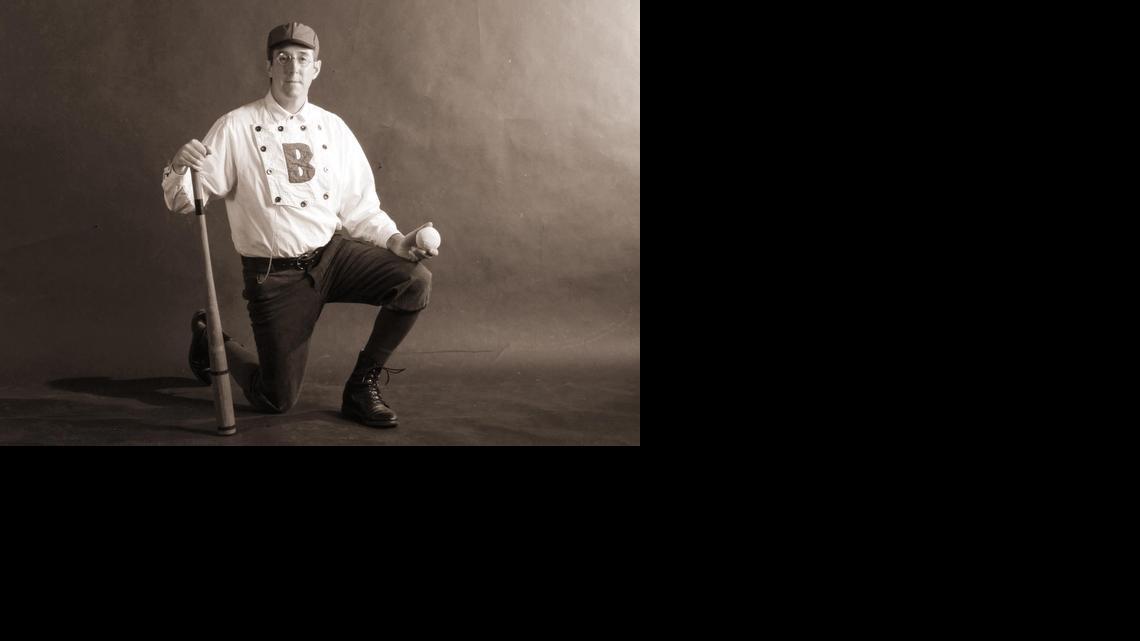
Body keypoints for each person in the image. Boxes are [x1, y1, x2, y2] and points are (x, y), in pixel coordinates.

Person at [161, 22, 437, 428]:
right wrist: (179, 166)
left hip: (332, 257)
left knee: (415, 281)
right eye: (284, 58)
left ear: (316, 69)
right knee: (276, 400)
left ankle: (361, 386)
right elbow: (186, 200)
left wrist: (395, 240)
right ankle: (211, 341)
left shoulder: (334, 129)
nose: (293, 66)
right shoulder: (235, 126)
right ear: (269, 66)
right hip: (275, 277)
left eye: (303, 59)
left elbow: (359, 208)